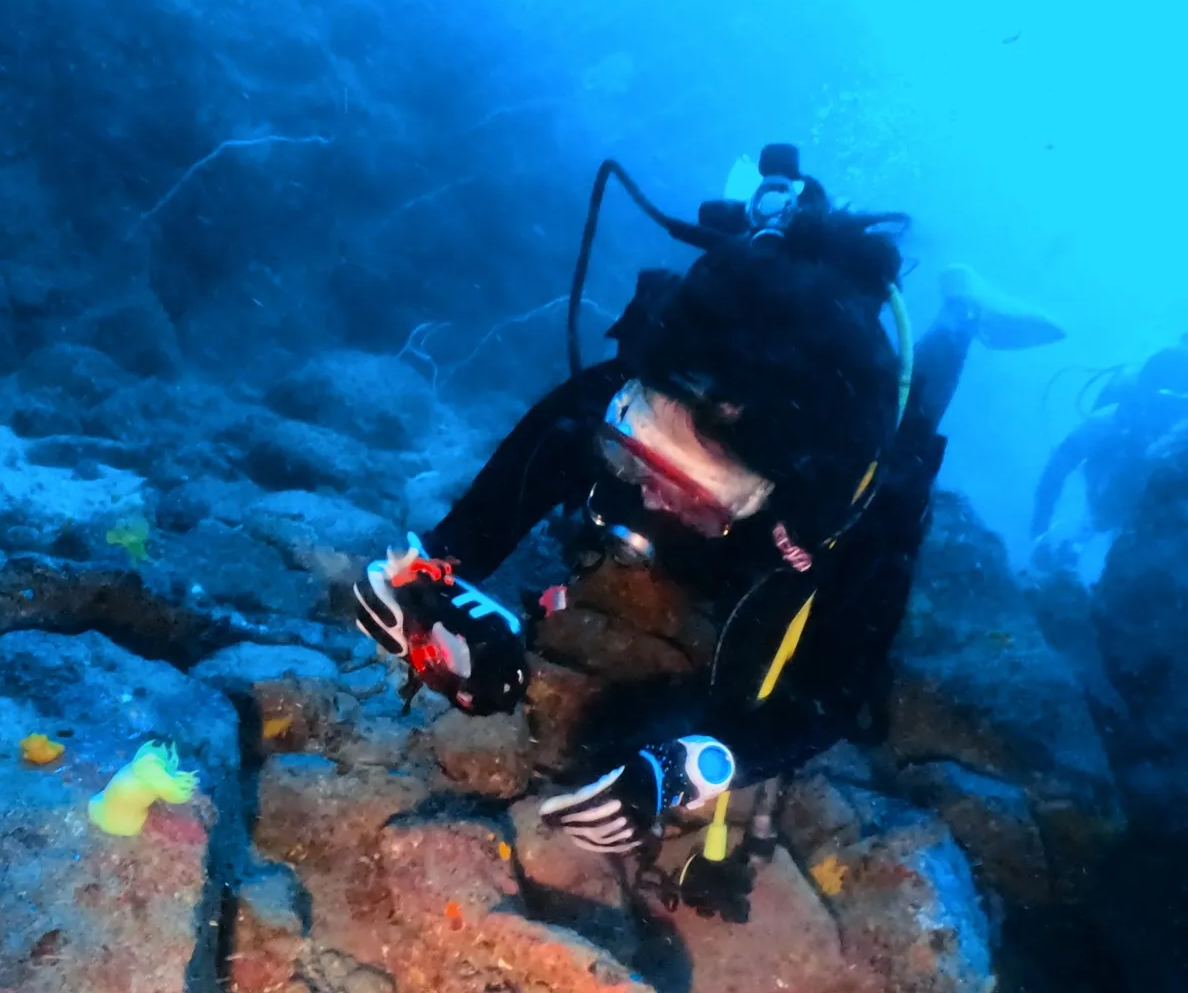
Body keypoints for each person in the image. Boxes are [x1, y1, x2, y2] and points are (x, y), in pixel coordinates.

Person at [354, 146, 1064, 922]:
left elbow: (830, 697)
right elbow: (513, 484)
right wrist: (430, 580)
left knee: (919, 409)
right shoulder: (623, 392)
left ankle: (960, 312)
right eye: (637, 448)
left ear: (774, 501)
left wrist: (699, 763)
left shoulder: (844, 530)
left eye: (695, 492)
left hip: (835, 470)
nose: (651, 493)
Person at [1031, 335, 1188, 548]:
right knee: (1103, 516)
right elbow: (1058, 467)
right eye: (1162, 406)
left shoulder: (1174, 438)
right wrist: (1039, 533)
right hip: (1117, 480)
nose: (1166, 417)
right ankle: (1078, 541)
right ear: (1142, 398)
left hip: (1138, 493)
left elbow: (1058, 468)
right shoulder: (1110, 422)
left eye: (1176, 409)